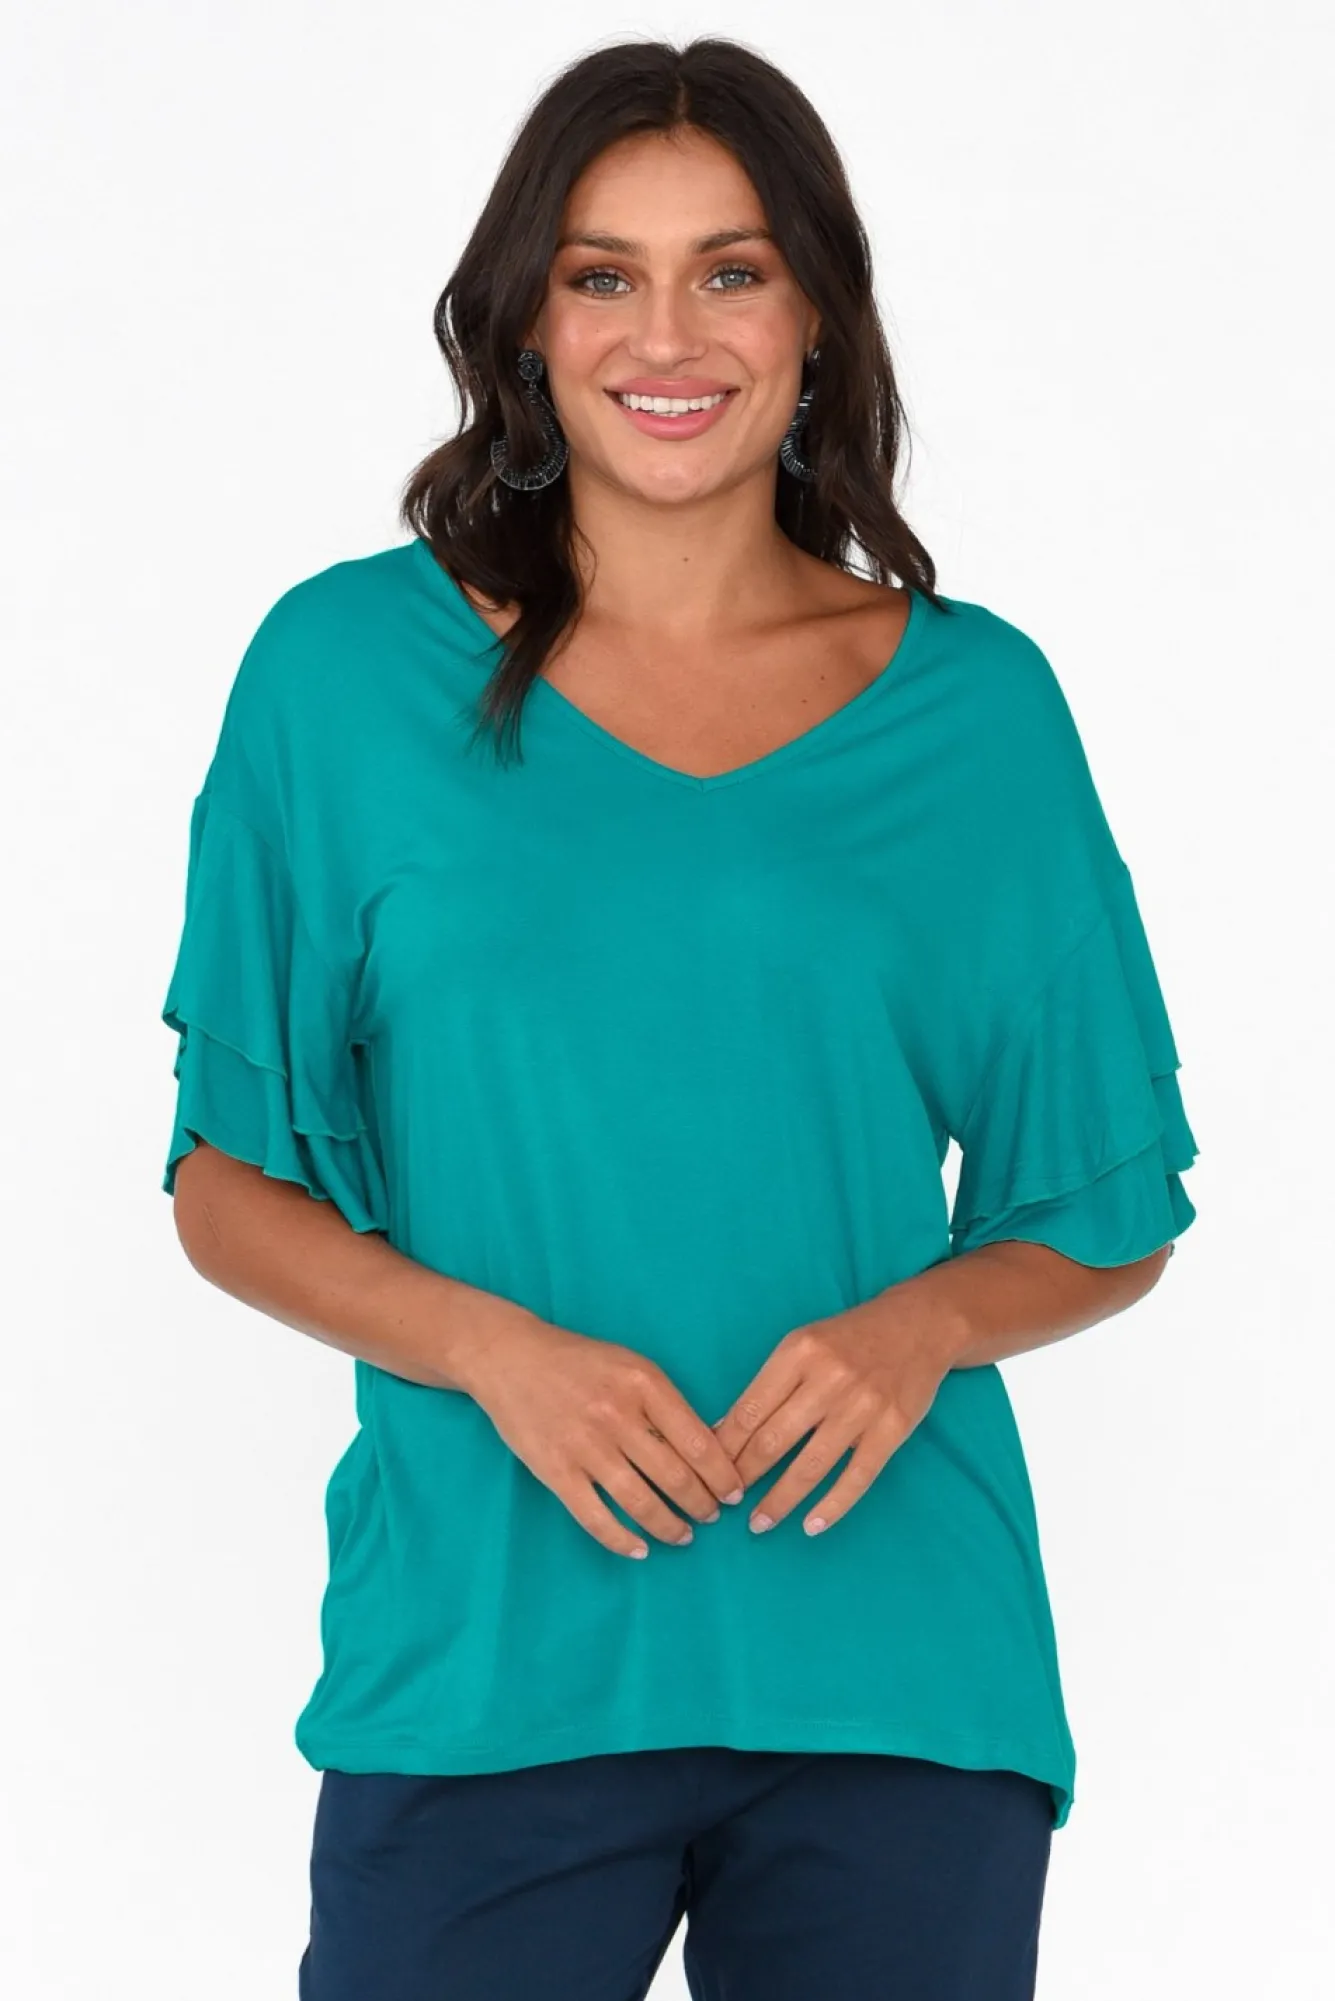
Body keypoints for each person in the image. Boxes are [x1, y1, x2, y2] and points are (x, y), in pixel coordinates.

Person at [159, 36, 1199, 2001]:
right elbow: (228, 1183)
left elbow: (1105, 1201)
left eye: (730, 270)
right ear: (526, 326)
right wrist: (492, 1352)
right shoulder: (339, 675)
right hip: (484, 1664)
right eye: (601, 274)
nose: (667, 333)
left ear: (814, 321)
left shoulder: (977, 710)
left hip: (896, 1675)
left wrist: (921, 1326)